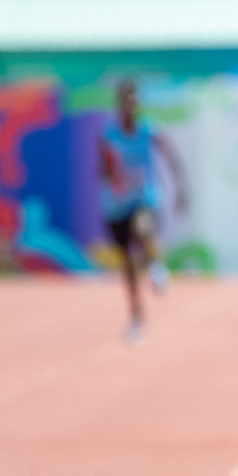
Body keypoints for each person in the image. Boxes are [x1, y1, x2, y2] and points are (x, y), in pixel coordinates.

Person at [99, 80, 188, 344]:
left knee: (144, 225)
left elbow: (172, 157)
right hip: (116, 205)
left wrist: (181, 188)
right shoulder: (108, 135)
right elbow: (101, 170)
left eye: (135, 99)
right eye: (127, 99)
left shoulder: (149, 131)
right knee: (127, 265)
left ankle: (156, 266)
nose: (131, 104)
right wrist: (111, 174)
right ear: (120, 103)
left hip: (144, 199)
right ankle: (137, 315)